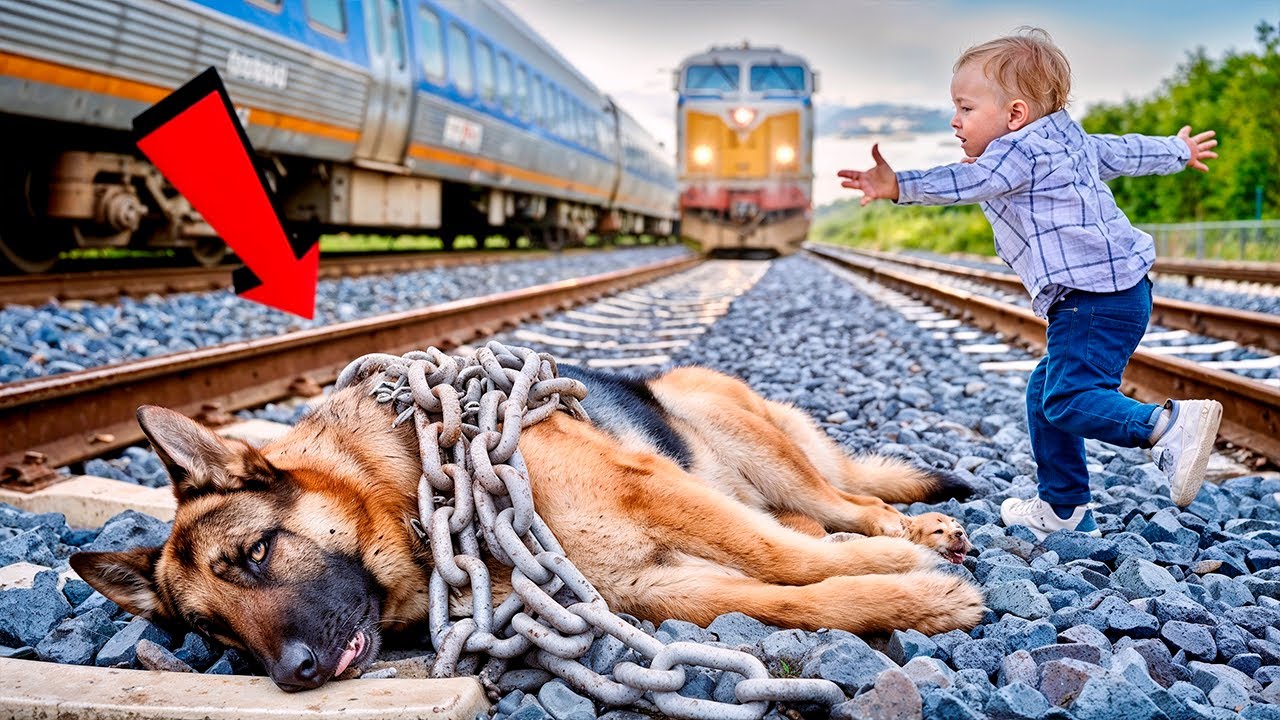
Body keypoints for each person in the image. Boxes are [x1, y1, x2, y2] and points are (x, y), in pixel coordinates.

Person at [836, 27, 1222, 539]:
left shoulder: (1017, 154)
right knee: (1047, 390)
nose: (955, 121)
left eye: (966, 108)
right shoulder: (1069, 140)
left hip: (1091, 300)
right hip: (1123, 292)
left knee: (1066, 397)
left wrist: (898, 185)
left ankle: (1164, 427)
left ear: (1015, 115)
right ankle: (1065, 510)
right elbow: (1125, 151)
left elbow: (965, 181)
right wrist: (1176, 150)